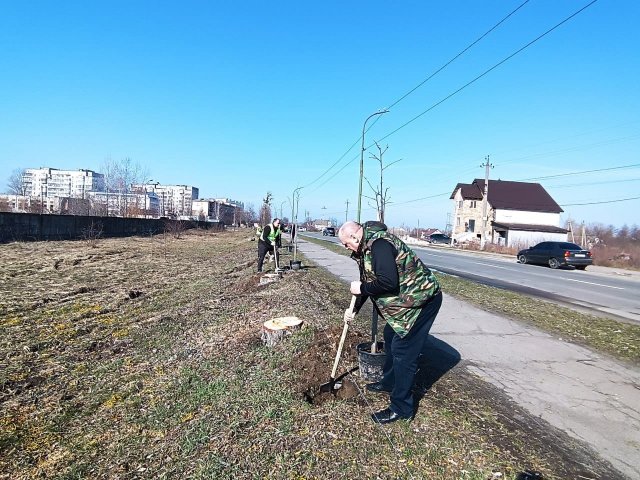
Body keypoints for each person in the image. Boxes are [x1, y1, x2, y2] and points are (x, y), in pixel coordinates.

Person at [338, 220, 442, 424]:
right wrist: (354, 309)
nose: (345, 247)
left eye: (345, 243)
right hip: (408, 302)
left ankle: (401, 408)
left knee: (404, 352)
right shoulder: (365, 248)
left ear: (354, 237)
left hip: (423, 300)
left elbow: (387, 282)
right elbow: (366, 283)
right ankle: (389, 381)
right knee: (390, 335)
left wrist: (362, 290)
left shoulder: (380, 245)